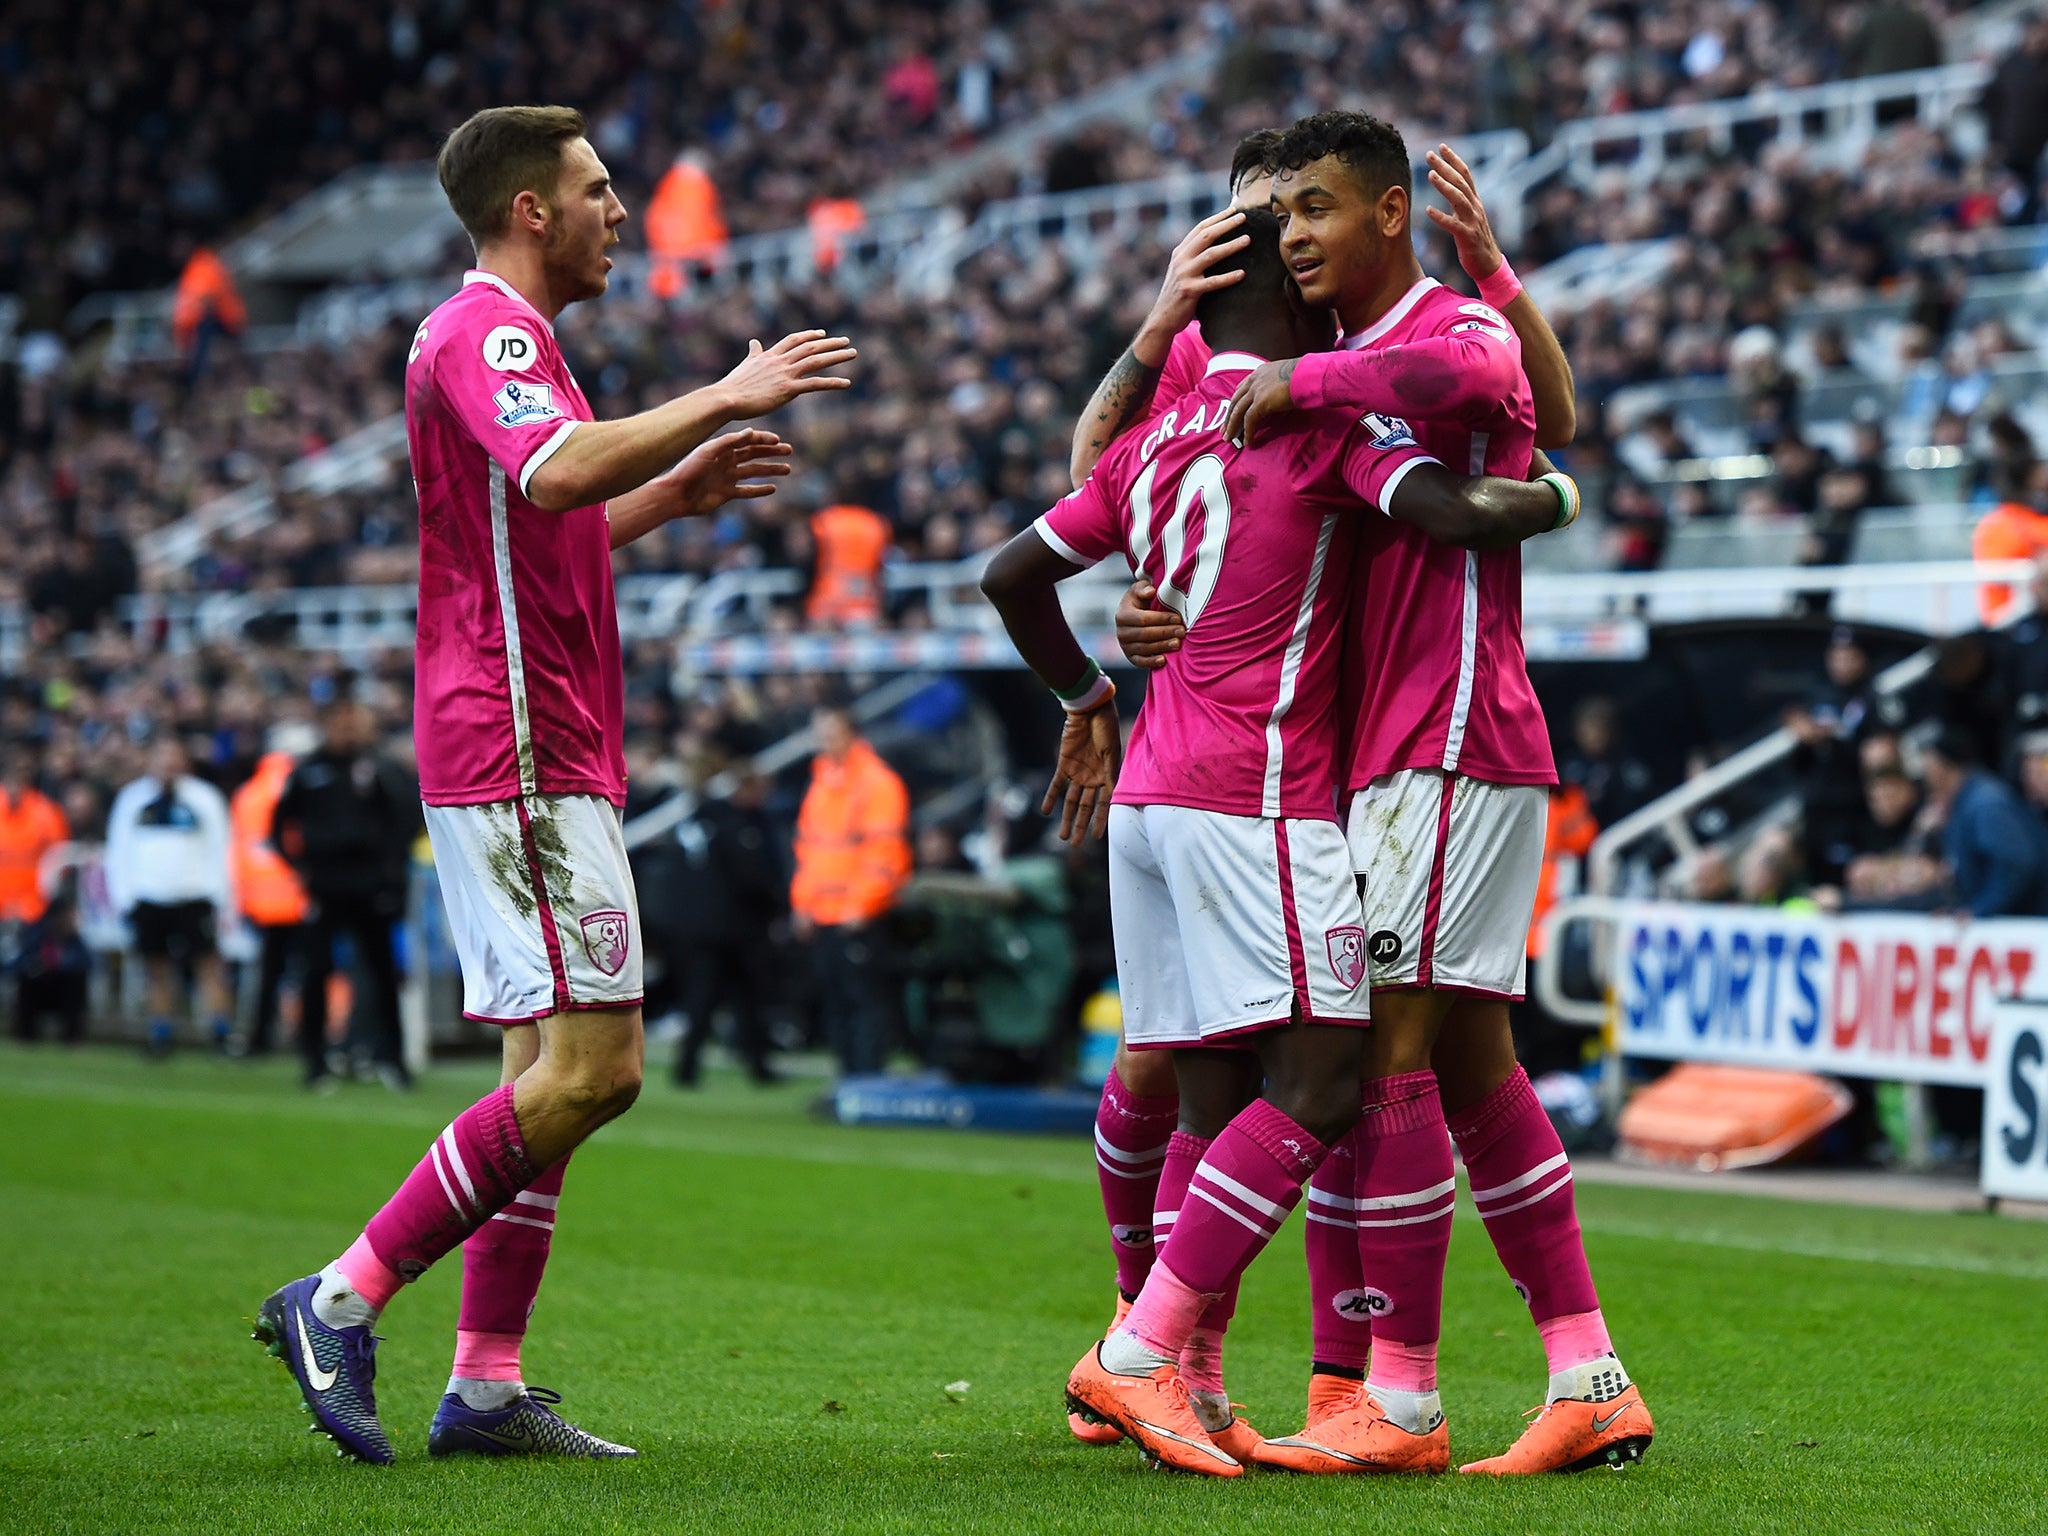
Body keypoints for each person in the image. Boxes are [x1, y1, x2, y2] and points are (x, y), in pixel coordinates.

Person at [252, 103, 853, 1466]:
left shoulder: (508, 345)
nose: (618, 212)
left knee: (543, 1073)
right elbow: (557, 465)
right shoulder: (493, 334)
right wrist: (725, 392)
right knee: (598, 1068)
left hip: (524, 735)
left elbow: (556, 514)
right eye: (595, 190)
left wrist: (674, 496)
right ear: (533, 210)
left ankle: (481, 1387)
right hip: (522, 746)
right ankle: (337, 1299)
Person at [985, 205, 1577, 1476]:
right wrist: (1558, 494)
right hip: (1255, 794)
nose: (1310, 250)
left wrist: (1088, 694)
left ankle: (1190, 1378)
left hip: (1143, 794)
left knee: (1202, 1082)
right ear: (1295, 306)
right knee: (1328, 1074)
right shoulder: (1319, 423)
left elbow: (1007, 573)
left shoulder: (1152, 436)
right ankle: (1159, 1359)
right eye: (1290, 228)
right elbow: (1461, 508)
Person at [1118, 111, 1652, 1477]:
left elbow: (1493, 392)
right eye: (1277, 211)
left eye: (1315, 207)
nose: (1291, 233)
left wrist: (1317, 388)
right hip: (1394, 750)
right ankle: (1586, 1373)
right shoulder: (1371, 349)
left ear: (1389, 215)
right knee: (1472, 1068)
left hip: (1449, 737)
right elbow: (1554, 410)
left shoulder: (1438, 325)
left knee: (1380, 1061)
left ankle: (1395, 1399)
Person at [271, 700, 420, 1091]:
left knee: (382, 973)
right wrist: (299, 866)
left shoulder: (381, 770)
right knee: (315, 973)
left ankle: (392, 1059)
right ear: (326, 724)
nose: (349, 730)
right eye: (341, 722)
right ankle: (315, 1061)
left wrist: (388, 869)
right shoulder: (308, 772)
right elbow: (278, 825)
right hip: (324, 886)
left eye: (355, 722)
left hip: (371, 889)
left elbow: (407, 820)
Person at [789, 705, 911, 1077]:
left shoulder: (877, 784)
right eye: (819, 732)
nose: (823, 740)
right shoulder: (823, 782)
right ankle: (848, 1080)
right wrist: (803, 904)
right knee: (838, 1001)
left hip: (857, 916)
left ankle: (868, 1082)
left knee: (864, 1001)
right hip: (826, 913)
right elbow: (809, 850)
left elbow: (885, 855)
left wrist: (862, 904)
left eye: (829, 731)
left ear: (851, 734)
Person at [105, 736, 234, 1058]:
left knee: (209, 966)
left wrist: (221, 894)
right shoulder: (133, 799)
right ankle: (161, 1034)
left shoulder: (204, 798)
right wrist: (125, 897)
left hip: (194, 895)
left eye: (174, 757)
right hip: (149, 897)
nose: (168, 764)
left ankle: (221, 1034)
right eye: (162, 757)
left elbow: (222, 848)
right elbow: (119, 851)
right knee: (156, 968)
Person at [667, 758, 784, 1087]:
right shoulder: (740, 826)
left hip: (706, 927)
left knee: (714, 999)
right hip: (732, 930)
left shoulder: (705, 820)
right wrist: (776, 904)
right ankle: (752, 1067)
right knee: (735, 999)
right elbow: (751, 878)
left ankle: (693, 1067)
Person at [229, 722, 315, 1059]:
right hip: (300, 893)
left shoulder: (248, 792)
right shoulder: (302, 786)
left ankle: (259, 1038)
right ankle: (308, 1037)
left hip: (261, 898)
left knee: (268, 973)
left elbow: (238, 848)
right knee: (311, 973)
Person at [1921, 730, 2048, 918]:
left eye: (1927, 760)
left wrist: (1980, 909)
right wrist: (1959, 908)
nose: (1923, 769)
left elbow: (2016, 864)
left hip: (2024, 926)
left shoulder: (1985, 802)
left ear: (1941, 765)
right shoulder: (1961, 802)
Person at [0, 745, 69, 931]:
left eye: (23, 770)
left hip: (37, 911)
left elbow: (60, 863)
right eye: (12, 770)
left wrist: (34, 902)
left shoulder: (48, 811)